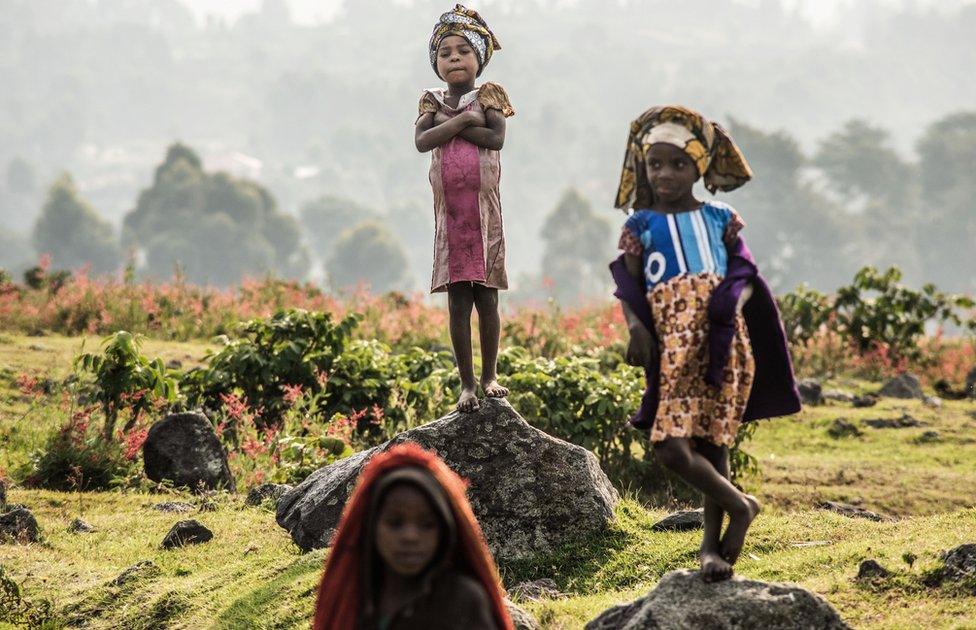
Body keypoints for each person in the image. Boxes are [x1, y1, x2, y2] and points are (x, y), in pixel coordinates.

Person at [609, 105, 801, 582]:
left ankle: (710, 551)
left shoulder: (720, 217)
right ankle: (740, 505)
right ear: (643, 168)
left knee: (712, 442)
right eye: (656, 165)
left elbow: (746, 274)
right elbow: (629, 288)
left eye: (678, 164)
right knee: (671, 446)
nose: (666, 174)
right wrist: (636, 328)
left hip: (720, 342)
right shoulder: (641, 225)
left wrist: (730, 303)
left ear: (699, 166)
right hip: (672, 345)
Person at [415, 4, 515, 413]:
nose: (454, 57)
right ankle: (467, 385)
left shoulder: (488, 96)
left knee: (486, 297)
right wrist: (455, 124)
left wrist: (451, 125)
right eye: (445, 52)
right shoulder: (430, 100)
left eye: (463, 50)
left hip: (484, 216)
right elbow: (422, 142)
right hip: (451, 220)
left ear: (479, 58)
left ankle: (490, 375)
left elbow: (495, 139)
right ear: (436, 63)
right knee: (457, 301)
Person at [312, 443, 513, 630]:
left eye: (427, 525)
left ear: (445, 530)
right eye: (395, 523)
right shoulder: (353, 596)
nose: (410, 537)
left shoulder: (463, 601)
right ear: (371, 527)